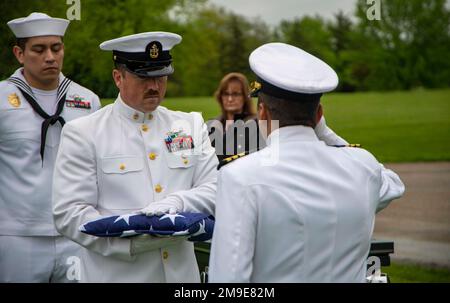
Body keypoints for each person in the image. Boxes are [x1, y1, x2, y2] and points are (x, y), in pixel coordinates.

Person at [208, 43, 405, 283]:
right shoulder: (363, 167)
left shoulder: (239, 176)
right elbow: (393, 184)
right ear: (319, 114)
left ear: (262, 112)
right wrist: (323, 131)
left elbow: (228, 281)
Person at [52, 32, 218, 282]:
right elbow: (70, 213)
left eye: (161, 76)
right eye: (143, 77)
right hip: (117, 275)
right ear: (118, 77)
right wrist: (134, 241)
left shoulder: (189, 124)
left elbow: (216, 188)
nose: (154, 87)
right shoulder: (85, 132)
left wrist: (178, 203)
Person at [0, 13, 101, 283]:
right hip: (17, 236)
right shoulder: (1, 99)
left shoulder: (87, 100)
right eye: (39, 49)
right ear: (19, 53)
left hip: (77, 232)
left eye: (56, 48)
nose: (50, 57)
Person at [208, 72, 265, 161]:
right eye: (226, 94)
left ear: (245, 97)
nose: (230, 99)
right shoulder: (211, 126)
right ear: (220, 96)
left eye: (235, 94)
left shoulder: (256, 125)